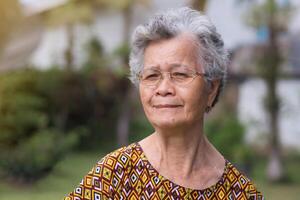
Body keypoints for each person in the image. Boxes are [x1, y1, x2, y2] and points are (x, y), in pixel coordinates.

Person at [65, 7, 264, 199]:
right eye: (152, 75)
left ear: (211, 88)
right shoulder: (114, 175)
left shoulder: (240, 193)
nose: (163, 88)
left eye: (180, 74)